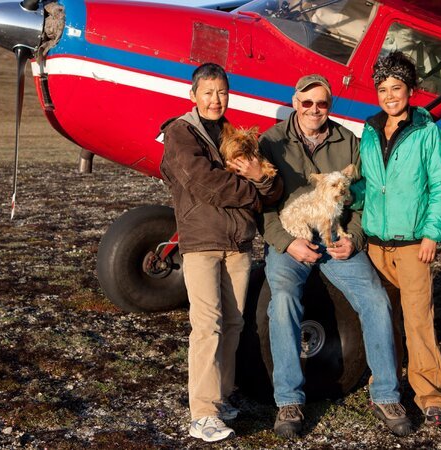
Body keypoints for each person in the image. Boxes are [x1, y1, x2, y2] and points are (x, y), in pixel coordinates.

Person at [258, 74, 412, 438]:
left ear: (330, 106)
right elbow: (260, 205)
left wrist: (354, 239)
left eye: (322, 103)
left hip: (336, 240)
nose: (314, 110)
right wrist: (285, 241)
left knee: (375, 299)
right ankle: (289, 401)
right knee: (282, 301)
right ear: (295, 103)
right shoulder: (271, 141)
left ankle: (387, 394)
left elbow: (363, 201)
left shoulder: (349, 142)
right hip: (291, 240)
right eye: (307, 102)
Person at [159, 63, 282, 443]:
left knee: (233, 324)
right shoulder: (180, 132)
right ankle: (203, 413)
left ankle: (223, 395)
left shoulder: (234, 134)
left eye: (222, 92)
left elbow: (272, 183)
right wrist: (254, 191)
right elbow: (204, 184)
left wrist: (261, 181)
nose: (216, 99)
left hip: (239, 244)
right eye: (208, 92)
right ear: (193, 95)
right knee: (207, 326)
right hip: (202, 244)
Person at [350, 51, 441, 426]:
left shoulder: (427, 131)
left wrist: (432, 233)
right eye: (383, 89)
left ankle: (431, 395)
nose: (390, 95)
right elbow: (365, 184)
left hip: (413, 245)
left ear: (410, 90)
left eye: (396, 88)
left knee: (417, 320)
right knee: (383, 317)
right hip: (376, 244)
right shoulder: (370, 129)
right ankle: (385, 384)